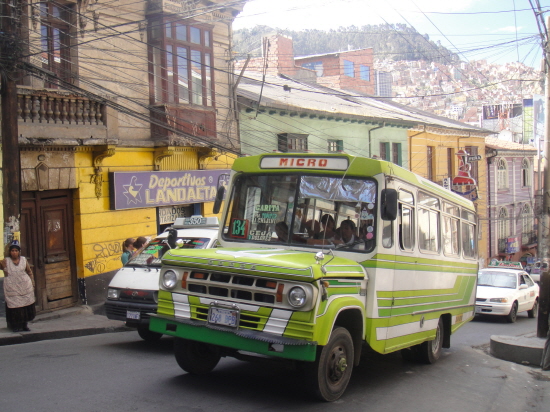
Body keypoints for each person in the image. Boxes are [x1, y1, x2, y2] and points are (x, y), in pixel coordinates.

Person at [1, 241, 36, 332]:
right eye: (12, 250)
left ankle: (24, 325)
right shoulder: (5, 261)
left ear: (19, 252)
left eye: (16, 250)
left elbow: (29, 272)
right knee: (15, 308)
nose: (14, 252)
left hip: (25, 287)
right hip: (12, 288)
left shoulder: (24, 260)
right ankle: (15, 326)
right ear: (9, 252)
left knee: (25, 307)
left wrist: (32, 283)